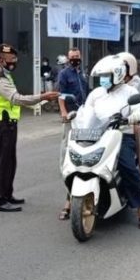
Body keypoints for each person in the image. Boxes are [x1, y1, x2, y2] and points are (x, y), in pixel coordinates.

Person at [0, 43, 59, 212]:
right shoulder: (0, 78)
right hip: (2, 124)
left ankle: (7, 195)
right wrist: (43, 97)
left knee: (10, 162)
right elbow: (17, 99)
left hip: (8, 124)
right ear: (1, 59)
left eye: (15, 58)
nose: (14, 61)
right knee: (3, 163)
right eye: (11, 59)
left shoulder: (5, 74)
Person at [84, 55, 140, 229]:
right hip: (96, 135)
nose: (103, 80)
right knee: (80, 163)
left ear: (118, 74)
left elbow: (139, 112)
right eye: (101, 77)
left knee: (128, 166)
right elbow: (86, 112)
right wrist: (76, 117)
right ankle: (70, 202)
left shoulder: (130, 92)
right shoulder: (96, 93)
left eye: (106, 76)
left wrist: (129, 119)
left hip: (121, 135)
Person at [57, 48, 89, 220]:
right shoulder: (64, 74)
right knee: (68, 154)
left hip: (85, 119)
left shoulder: (83, 74)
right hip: (71, 118)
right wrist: (64, 114)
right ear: (68, 59)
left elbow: (90, 96)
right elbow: (61, 96)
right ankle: (68, 198)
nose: (75, 60)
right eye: (72, 58)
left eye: (77, 57)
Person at [117, 52, 140, 192]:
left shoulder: (139, 83)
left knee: (138, 130)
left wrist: (137, 119)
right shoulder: (116, 81)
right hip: (115, 120)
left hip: (132, 121)